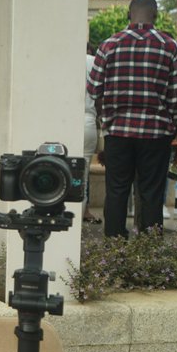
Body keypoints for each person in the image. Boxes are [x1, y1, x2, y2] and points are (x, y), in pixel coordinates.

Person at [87, 0, 177, 237]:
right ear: (155, 16)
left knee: (117, 191)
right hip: (156, 136)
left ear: (128, 15)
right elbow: (176, 102)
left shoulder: (109, 45)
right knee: (151, 194)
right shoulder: (169, 46)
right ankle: (148, 252)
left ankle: (114, 251)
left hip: (118, 134)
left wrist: (108, 119)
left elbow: (93, 90)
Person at [82, 44, 101, 224]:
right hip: (87, 119)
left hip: (60, 120)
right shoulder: (93, 62)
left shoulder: (58, 61)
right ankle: (80, 215)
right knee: (82, 174)